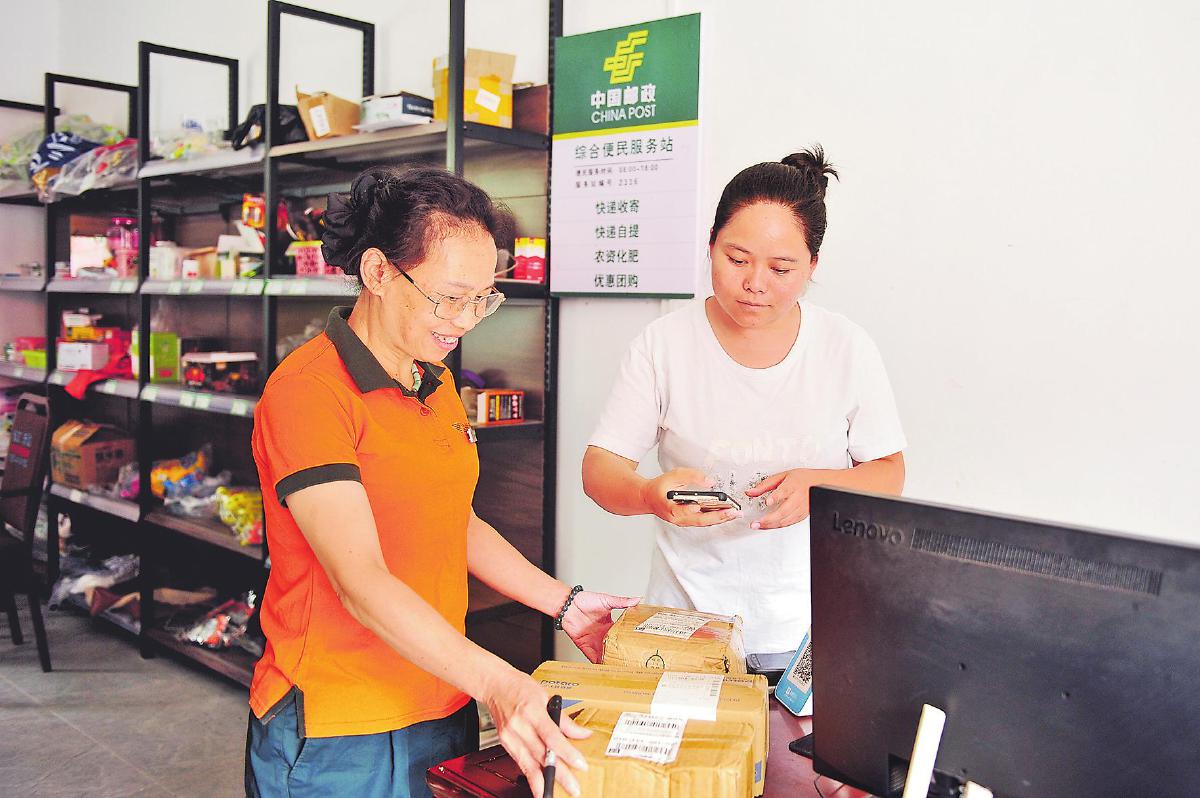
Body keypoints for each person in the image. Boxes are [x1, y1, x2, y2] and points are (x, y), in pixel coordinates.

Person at [247, 166, 636, 798]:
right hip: (339, 725)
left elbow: (453, 520)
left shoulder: (433, 380)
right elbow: (360, 583)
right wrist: (501, 684)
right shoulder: (309, 394)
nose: (467, 319)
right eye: (450, 297)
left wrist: (564, 604)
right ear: (378, 272)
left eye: (483, 299)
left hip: (441, 694)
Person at [582, 147, 906, 655]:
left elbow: (889, 473)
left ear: (812, 265)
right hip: (686, 625)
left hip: (808, 627)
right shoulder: (664, 344)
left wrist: (820, 485)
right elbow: (600, 468)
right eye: (736, 260)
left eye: (781, 268)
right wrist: (648, 495)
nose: (755, 284)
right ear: (710, 244)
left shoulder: (845, 346)